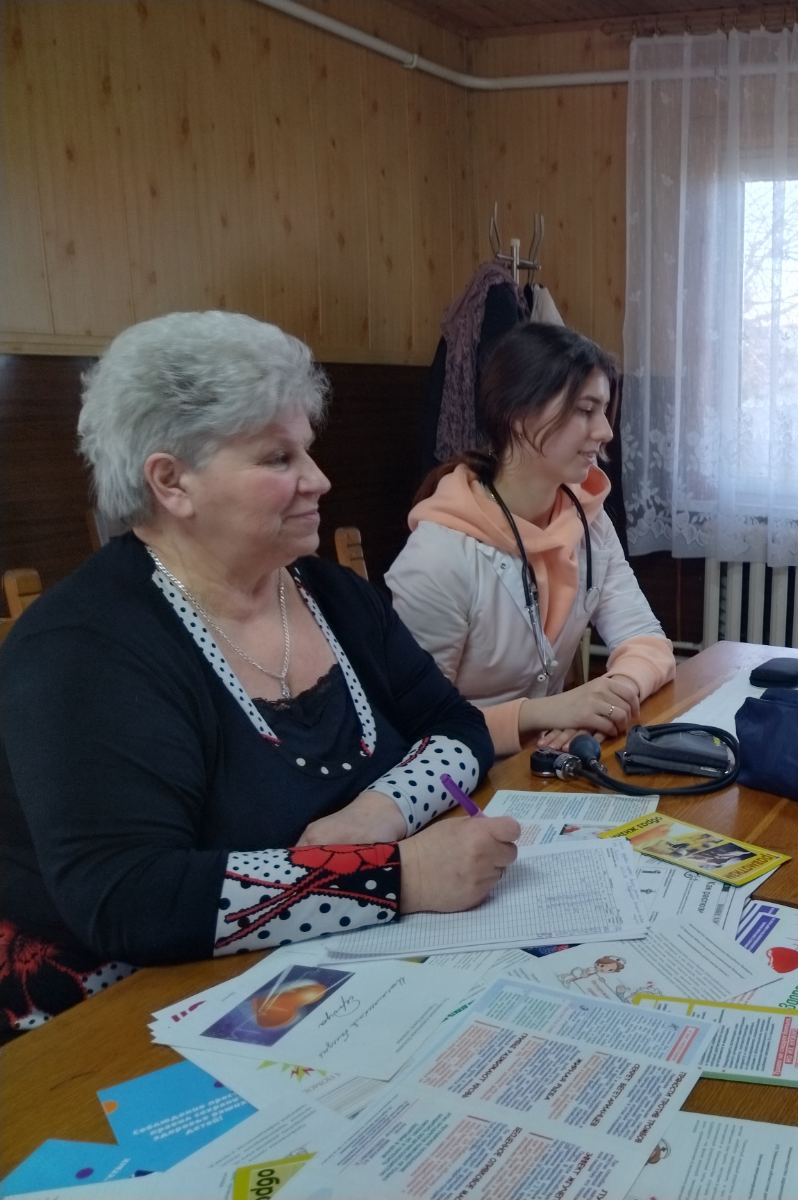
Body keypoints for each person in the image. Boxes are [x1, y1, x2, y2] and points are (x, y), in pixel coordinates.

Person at [0, 312, 519, 1039]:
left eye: (307, 449)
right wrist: (394, 877)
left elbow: (456, 726)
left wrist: (376, 815)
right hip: (121, 1017)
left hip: (325, 971)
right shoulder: (81, 649)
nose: (318, 478)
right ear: (172, 482)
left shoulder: (327, 592)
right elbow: (128, 899)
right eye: (279, 459)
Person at [387, 322, 675, 758]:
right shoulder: (438, 556)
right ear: (520, 415)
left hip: (544, 766)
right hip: (461, 783)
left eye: (604, 410)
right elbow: (412, 723)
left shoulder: (589, 520)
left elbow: (646, 640)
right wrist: (544, 713)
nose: (605, 431)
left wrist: (612, 696)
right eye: (585, 410)